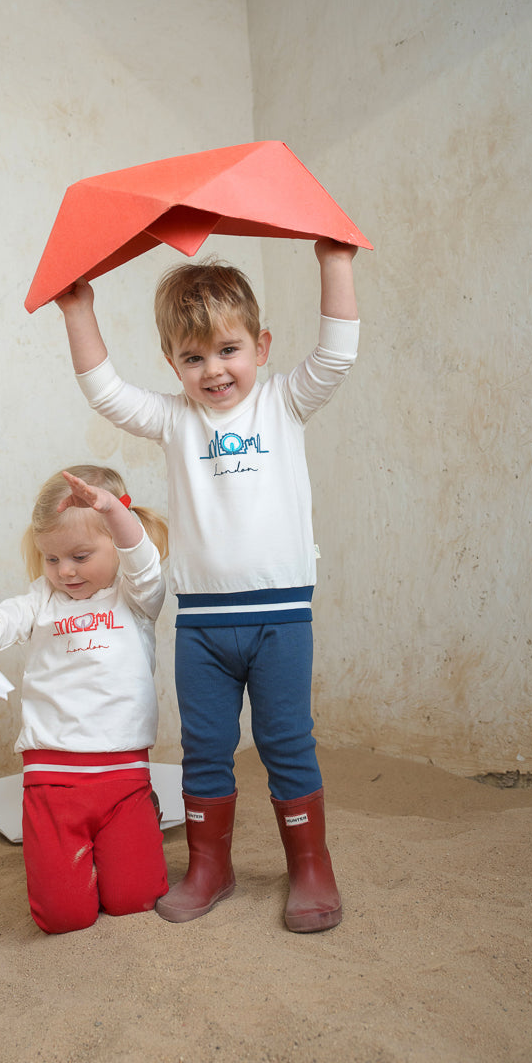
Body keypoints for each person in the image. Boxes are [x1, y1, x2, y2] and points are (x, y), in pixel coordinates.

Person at [55, 238, 359, 932]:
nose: (213, 370)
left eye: (228, 350)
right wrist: (78, 307)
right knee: (206, 746)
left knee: (287, 741)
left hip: (281, 618)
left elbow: (337, 354)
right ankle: (209, 867)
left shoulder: (283, 402)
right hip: (201, 626)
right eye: (193, 358)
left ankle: (311, 867)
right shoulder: (173, 418)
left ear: (261, 344)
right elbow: (104, 391)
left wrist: (333, 261)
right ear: (172, 363)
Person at [0, 465, 169, 935]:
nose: (64, 571)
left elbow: (143, 560)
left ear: (115, 539)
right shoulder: (39, 601)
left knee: (135, 900)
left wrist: (112, 509)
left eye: (79, 555)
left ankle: (134, 827)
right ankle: (69, 857)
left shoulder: (135, 598)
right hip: (53, 781)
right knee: (63, 918)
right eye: (51, 559)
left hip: (123, 779)